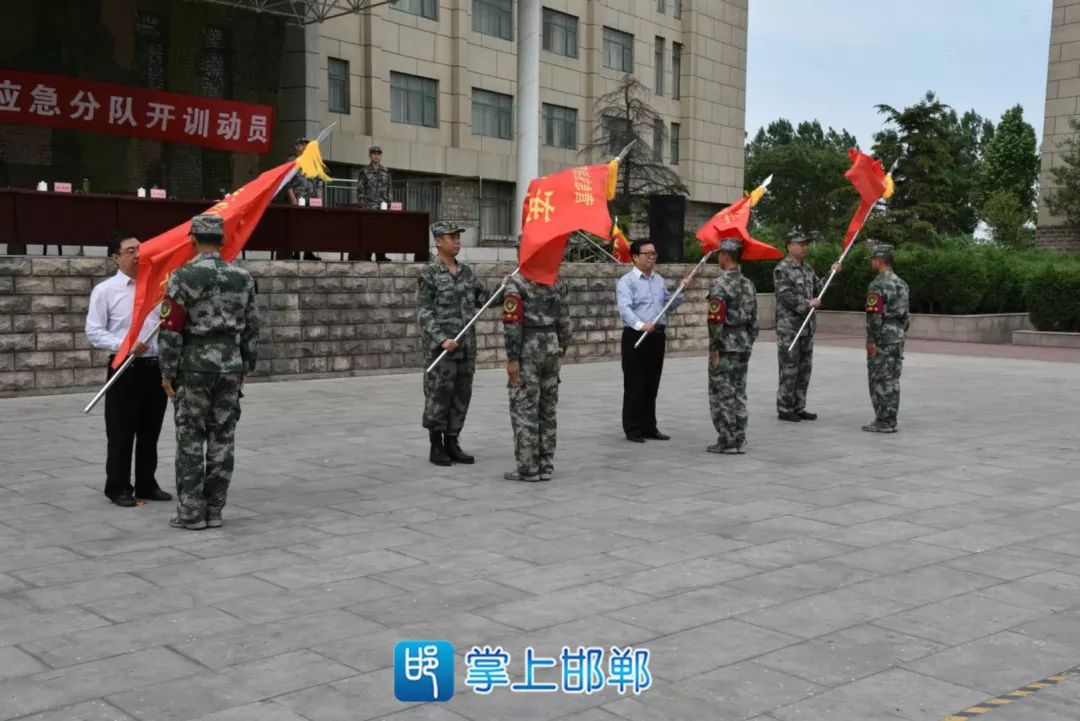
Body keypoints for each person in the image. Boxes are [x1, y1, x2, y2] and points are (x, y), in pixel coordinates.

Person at [159, 214, 259, 530]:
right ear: (223, 241)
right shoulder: (242, 278)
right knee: (223, 437)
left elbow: (171, 328)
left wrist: (166, 370)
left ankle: (191, 512)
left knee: (190, 438)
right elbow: (253, 326)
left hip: (193, 365)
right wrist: (247, 364)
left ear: (192, 240)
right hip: (230, 365)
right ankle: (215, 510)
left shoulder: (181, 276)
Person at [85, 231, 173, 507]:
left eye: (139, 249)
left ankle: (147, 483)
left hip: (155, 368)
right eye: (130, 251)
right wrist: (125, 344)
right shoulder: (105, 291)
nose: (137, 255)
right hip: (124, 368)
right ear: (115, 257)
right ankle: (118, 487)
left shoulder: (159, 286)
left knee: (151, 431)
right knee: (121, 432)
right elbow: (94, 331)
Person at [416, 221, 491, 466]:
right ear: (438, 241)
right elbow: (424, 312)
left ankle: (452, 441)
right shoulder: (429, 273)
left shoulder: (467, 273)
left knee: (461, 396)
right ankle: (436, 446)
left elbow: (484, 300)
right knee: (439, 397)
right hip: (443, 351)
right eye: (452, 237)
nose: (457, 240)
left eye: (458, 236)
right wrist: (441, 339)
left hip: (466, 348)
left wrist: (505, 288)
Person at [615, 239, 691, 442]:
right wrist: (641, 325)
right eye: (647, 254)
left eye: (654, 254)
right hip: (636, 336)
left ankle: (650, 426)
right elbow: (625, 309)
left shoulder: (658, 280)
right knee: (635, 383)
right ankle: (632, 428)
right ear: (635, 257)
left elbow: (668, 305)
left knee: (651, 383)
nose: (652, 257)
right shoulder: (626, 282)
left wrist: (681, 290)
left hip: (657, 336)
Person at [502, 272, 570, 482]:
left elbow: (512, 324)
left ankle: (528, 467)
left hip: (528, 350)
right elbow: (565, 319)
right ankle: (545, 465)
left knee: (525, 409)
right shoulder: (556, 280)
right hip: (551, 347)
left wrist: (512, 358)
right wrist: (562, 350)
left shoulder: (517, 283)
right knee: (547, 409)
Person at [773, 228, 841, 422]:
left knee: (804, 369)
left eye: (805, 244)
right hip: (790, 328)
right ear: (789, 246)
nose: (804, 248)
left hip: (807, 327)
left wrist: (832, 273)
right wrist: (807, 304)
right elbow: (786, 296)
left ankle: (798, 405)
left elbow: (819, 288)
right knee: (789, 368)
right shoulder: (782, 269)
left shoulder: (807, 269)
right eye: (800, 244)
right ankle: (785, 408)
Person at [706, 238, 758, 454]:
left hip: (725, 345)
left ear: (726, 256)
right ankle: (739, 437)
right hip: (743, 343)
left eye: (720, 254)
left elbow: (715, 321)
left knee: (723, 392)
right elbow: (755, 320)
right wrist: (748, 341)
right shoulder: (748, 283)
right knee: (738, 391)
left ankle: (727, 440)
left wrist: (714, 348)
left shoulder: (720, 285)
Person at [864, 243, 910, 433]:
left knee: (879, 379)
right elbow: (906, 315)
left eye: (873, 260)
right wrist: (900, 332)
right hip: (897, 337)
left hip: (882, 337)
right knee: (892, 379)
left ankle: (883, 420)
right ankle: (891, 419)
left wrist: (871, 340)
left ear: (879, 261)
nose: (871, 263)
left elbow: (874, 316)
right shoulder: (902, 283)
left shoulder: (877, 285)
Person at [285, 136, 322, 260]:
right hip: (298, 197)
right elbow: (287, 181)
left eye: (306, 144)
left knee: (310, 227)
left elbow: (318, 181)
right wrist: (292, 197)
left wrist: (318, 199)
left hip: (312, 198)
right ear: (296, 146)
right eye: (302, 144)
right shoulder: (292, 160)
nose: (304, 146)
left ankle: (308, 252)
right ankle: (295, 252)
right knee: (297, 226)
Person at [357, 145, 392, 262]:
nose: (376, 156)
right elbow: (360, 189)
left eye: (378, 154)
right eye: (374, 154)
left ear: (381, 156)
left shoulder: (386, 171)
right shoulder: (364, 171)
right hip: (369, 206)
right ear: (370, 155)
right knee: (370, 233)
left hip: (383, 207)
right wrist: (362, 205)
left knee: (382, 232)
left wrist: (389, 204)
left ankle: (381, 255)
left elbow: (389, 188)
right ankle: (367, 255)